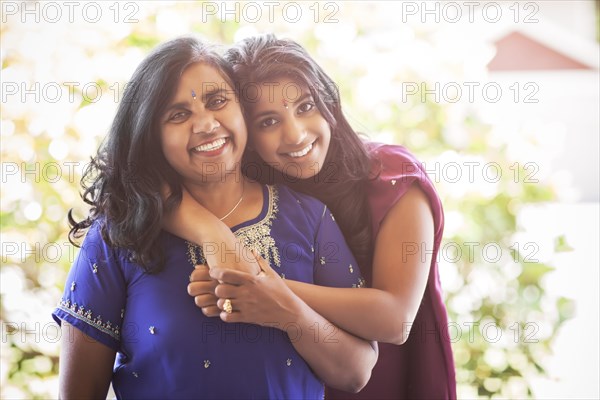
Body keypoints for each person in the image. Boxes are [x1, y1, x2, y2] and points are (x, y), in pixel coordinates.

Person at [52, 36, 378, 399]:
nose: (206, 124)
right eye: (178, 115)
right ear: (150, 133)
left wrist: (287, 312)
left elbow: (356, 371)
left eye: (217, 101)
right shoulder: (118, 235)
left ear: (244, 112)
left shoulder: (309, 218)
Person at [167, 34, 456, 399]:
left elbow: (396, 318)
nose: (295, 134)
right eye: (268, 122)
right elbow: (140, 182)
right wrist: (210, 232)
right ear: (246, 131)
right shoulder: (253, 190)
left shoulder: (394, 178)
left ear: (328, 102)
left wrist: (260, 287)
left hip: (383, 381)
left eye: (305, 107)